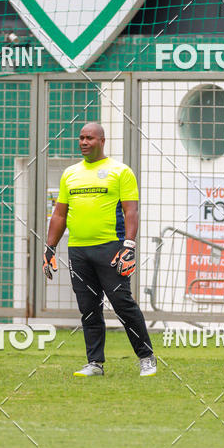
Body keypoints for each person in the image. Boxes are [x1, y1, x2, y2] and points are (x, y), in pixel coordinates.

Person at [43, 122, 157, 377]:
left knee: (122, 303)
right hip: (78, 251)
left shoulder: (120, 171)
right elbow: (60, 214)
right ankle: (95, 363)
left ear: (102, 141)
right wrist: (50, 247)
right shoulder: (70, 174)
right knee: (88, 307)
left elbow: (131, 210)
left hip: (111, 248)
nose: (84, 142)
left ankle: (146, 357)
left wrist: (129, 245)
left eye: (89, 138)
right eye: (81, 138)